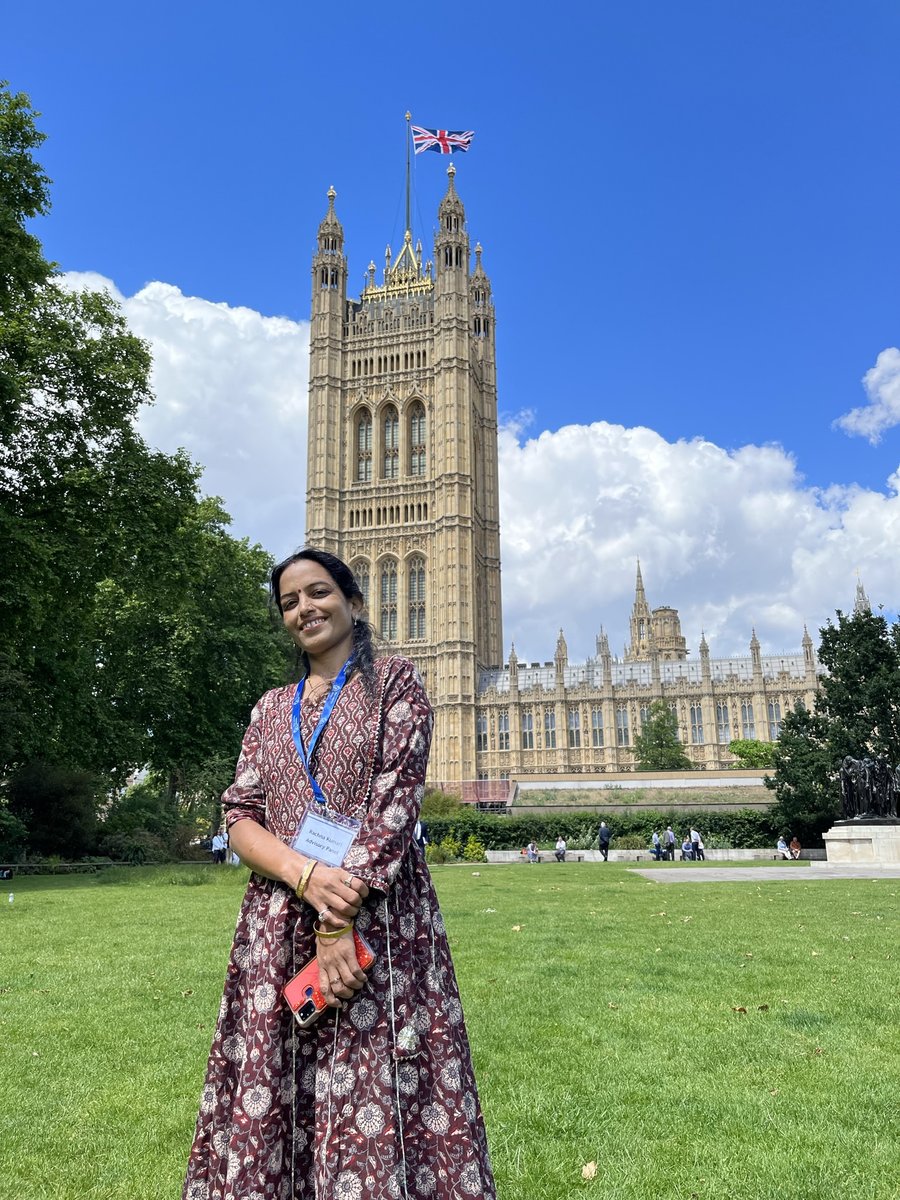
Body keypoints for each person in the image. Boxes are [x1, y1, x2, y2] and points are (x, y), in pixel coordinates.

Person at [182, 548, 495, 1200]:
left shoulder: (397, 684)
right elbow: (240, 815)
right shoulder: (271, 708)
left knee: (372, 1080)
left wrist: (336, 922)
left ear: (354, 603)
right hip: (280, 928)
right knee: (280, 1084)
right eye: (289, 602)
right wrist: (304, 876)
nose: (304, 608)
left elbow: (392, 812)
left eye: (317, 592)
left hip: (374, 924)